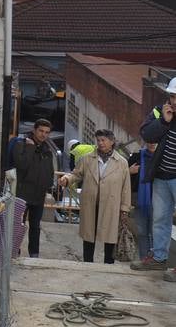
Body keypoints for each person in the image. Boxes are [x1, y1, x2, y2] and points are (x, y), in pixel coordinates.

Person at [58, 129, 128, 264]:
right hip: (91, 202)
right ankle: (87, 263)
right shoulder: (88, 159)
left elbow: (126, 188)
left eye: (103, 140)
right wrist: (66, 179)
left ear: (112, 142)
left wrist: (124, 208)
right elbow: (76, 174)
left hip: (110, 204)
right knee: (89, 235)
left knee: (110, 236)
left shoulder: (122, 162)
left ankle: (108, 264)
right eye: (98, 140)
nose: (100, 143)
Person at [134, 79, 176, 280]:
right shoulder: (160, 112)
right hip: (161, 176)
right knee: (160, 219)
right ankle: (159, 259)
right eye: (173, 96)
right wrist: (164, 122)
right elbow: (146, 134)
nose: (174, 101)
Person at [11, 119, 60, 258]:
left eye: (46, 132)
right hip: (22, 193)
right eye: (41, 131)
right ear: (34, 130)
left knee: (35, 226)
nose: (43, 135)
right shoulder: (22, 144)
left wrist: (48, 185)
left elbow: (49, 170)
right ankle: (14, 250)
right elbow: (22, 164)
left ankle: (34, 253)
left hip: (38, 195)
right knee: (18, 225)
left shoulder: (47, 149)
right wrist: (31, 148)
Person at [129, 142, 155, 262]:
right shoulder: (136, 157)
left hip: (158, 201)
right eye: (150, 141)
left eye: (155, 141)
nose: (152, 144)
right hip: (139, 200)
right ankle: (144, 259)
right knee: (142, 232)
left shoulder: (162, 158)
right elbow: (123, 176)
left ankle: (155, 260)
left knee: (155, 232)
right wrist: (129, 171)